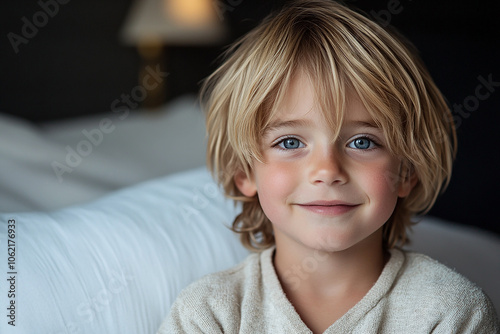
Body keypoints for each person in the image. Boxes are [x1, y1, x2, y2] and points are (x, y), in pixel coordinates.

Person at [158, 0, 499, 332]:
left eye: (362, 142)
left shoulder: (449, 312)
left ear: (407, 171)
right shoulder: (207, 314)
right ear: (244, 172)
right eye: (290, 143)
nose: (327, 170)